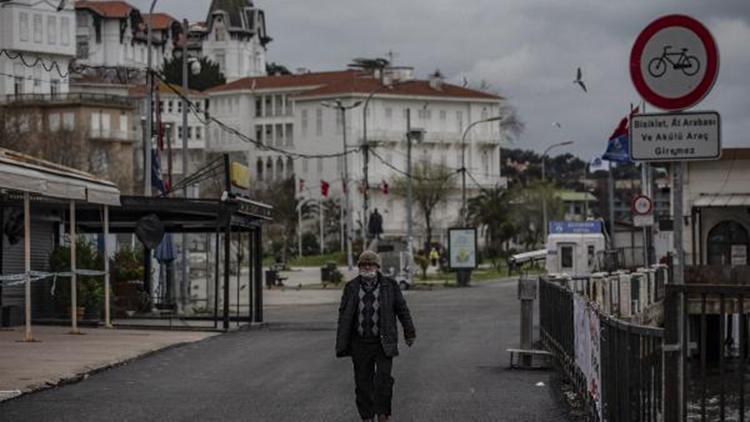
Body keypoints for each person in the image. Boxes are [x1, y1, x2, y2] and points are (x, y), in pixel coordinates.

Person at [336, 250, 416, 422]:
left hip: (383, 342)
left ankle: (383, 414)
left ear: (377, 266)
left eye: (370, 264)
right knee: (362, 383)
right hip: (360, 343)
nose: (367, 267)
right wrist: (342, 341)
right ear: (359, 267)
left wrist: (409, 332)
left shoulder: (390, 285)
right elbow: (343, 315)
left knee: (383, 381)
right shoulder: (351, 287)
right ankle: (367, 416)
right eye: (363, 264)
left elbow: (402, 309)